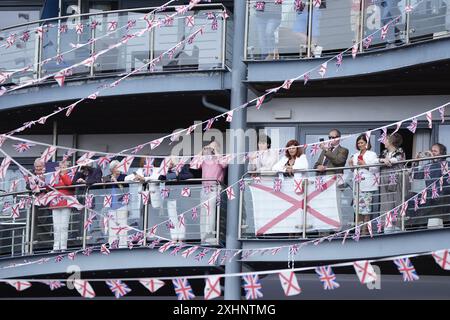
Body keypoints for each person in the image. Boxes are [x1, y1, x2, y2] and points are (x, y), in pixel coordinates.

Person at [196, 140, 228, 244]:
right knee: (204, 213)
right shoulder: (205, 160)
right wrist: (202, 151)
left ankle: (211, 235)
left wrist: (216, 152)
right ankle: (203, 237)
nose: (211, 150)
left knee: (211, 211)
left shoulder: (221, 158)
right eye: (210, 147)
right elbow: (194, 164)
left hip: (215, 188)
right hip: (204, 189)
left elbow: (224, 164)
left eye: (213, 148)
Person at [348, 134, 379, 234]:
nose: (360, 144)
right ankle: (358, 231)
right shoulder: (355, 155)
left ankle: (364, 231)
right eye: (358, 143)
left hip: (367, 185)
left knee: (366, 209)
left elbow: (376, 168)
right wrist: (351, 165)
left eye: (362, 142)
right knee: (357, 209)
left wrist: (365, 164)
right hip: (357, 185)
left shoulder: (372, 154)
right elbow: (354, 171)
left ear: (367, 143)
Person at [413, 143, 449, 225]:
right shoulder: (428, 166)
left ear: (442, 153)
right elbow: (416, 175)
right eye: (432, 151)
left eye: (435, 151)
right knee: (411, 197)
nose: (432, 153)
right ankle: (416, 225)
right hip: (429, 195)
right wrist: (416, 162)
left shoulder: (446, 164)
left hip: (443, 194)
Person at [378, 132, 406, 231]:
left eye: (385, 139)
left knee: (396, 202)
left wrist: (387, 161)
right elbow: (376, 160)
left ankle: (397, 227)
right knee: (386, 204)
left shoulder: (400, 151)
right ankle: (387, 227)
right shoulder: (384, 153)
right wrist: (383, 161)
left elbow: (396, 160)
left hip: (396, 181)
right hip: (384, 181)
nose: (384, 141)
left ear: (391, 141)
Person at [48, 160, 73, 252]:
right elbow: (49, 186)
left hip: (66, 202)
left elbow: (69, 184)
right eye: (61, 166)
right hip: (55, 202)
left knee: (64, 226)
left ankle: (63, 246)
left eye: (64, 167)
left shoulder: (70, 174)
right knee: (56, 226)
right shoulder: (55, 175)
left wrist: (63, 174)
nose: (62, 168)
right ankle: (55, 246)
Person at [102, 160, 128, 248]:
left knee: (122, 227)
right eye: (117, 167)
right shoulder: (107, 177)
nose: (119, 168)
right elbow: (103, 188)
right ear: (112, 169)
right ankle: (112, 245)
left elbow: (124, 190)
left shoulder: (124, 177)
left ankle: (123, 245)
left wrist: (116, 181)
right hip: (111, 207)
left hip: (121, 206)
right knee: (112, 228)